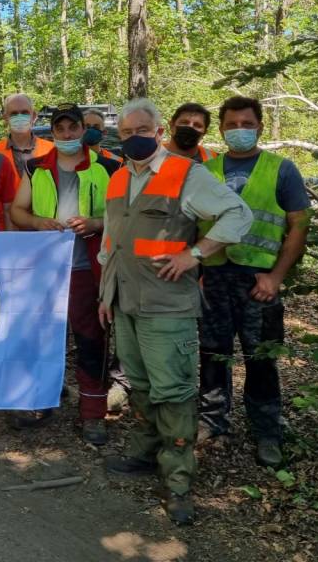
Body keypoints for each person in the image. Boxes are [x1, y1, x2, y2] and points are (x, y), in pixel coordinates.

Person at [98, 98, 252, 526]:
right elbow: (110, 243)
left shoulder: (186, 173)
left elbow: (237, 214)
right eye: (126, 133)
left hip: (167, 306)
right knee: (142, 385)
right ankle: (147, 453)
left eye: (142, 130)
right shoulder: (118, 178)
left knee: (174, 391)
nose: (134, 138)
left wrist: (195, 253)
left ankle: (178, 481)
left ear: (160, 131)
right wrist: (103, 296)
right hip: (125, 300)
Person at [198, 96, 310, 468]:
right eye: (231, 125)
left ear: (260, 126)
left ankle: (266, 430)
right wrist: (198, 272)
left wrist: (276, 276)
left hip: (258, 281)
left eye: (247, 124)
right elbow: (192, 226)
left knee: (260, 357)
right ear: (221, 129)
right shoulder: (207, 170)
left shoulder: (281, 169)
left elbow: (298, 225)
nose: (239, 131)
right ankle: (213, 421)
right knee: (213, 353)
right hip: (214, 278)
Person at [10, 103, 119, 443]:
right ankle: (41, 402)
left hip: (90, 266)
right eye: (61, 129)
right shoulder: (36, 167)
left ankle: (93, 414)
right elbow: (17, 211)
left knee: (91, 339)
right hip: (48, 269)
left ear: (83, 130)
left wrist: (95, 223)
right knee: (43, 337)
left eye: (73, 128)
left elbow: (124, 217)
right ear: (52, 132)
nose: (68, 134)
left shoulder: (108, 167)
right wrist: (38, 222)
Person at [0, 93, 54, 180]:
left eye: (25, 112)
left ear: (33, 116)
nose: (19, 117)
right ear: (5, 118)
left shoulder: (52, 150)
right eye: (14, 113)